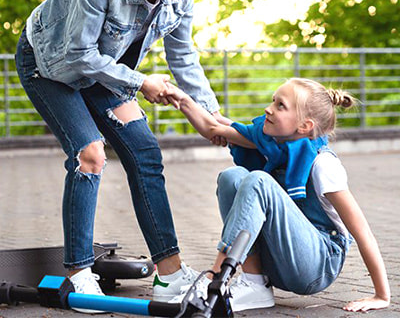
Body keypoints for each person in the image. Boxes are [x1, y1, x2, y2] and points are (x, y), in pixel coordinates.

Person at [15, 0, 229, 312]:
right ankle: (79, 273)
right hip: (51, 64)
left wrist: (212, 115)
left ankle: (169, 273)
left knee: (146, 153)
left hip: (104, 68)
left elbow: (183, 57)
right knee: (90, 155)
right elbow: (77, 55)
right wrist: (141, 81)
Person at [165, 78, 391, 313]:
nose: (268, 109)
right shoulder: (270, 142)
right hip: (280, 258)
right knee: (232, 177)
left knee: (259, 180)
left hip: (317, 265)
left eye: (280, 105)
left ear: (304, 126)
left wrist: (381, 295)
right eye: (273, 101)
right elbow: (214, 128)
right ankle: (254, 284)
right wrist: (182, 99)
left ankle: (214, 281)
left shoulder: (322, 164)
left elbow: (363, 232)